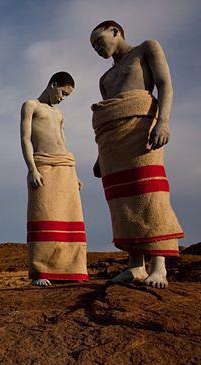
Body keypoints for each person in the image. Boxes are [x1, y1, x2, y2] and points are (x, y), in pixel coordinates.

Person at [90, 20, 183, 288]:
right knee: (121, 201)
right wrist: (99, 155)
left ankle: (159, 266)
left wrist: (163, 122)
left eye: (99, 41)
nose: (97, 48)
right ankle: (135, 266)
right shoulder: (105, 79)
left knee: (149, 192)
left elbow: (165, 85)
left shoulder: (147, 49)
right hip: (111, 141)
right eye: (94, 47)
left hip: (142, 129)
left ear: (116, 32)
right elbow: (109, 110)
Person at [20, 72, 88, 286]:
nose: (63, 98)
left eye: (67, 96)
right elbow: (25, 138)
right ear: (53, 84)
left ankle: (71, 269)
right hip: (42, 164)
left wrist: (74, 174)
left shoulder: (58, 114)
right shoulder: (31, 105)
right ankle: (42, 271)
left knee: (69, 215)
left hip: (65, 164)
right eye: (62, 93)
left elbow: (63, 141)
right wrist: (32, 168)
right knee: (42, 213)